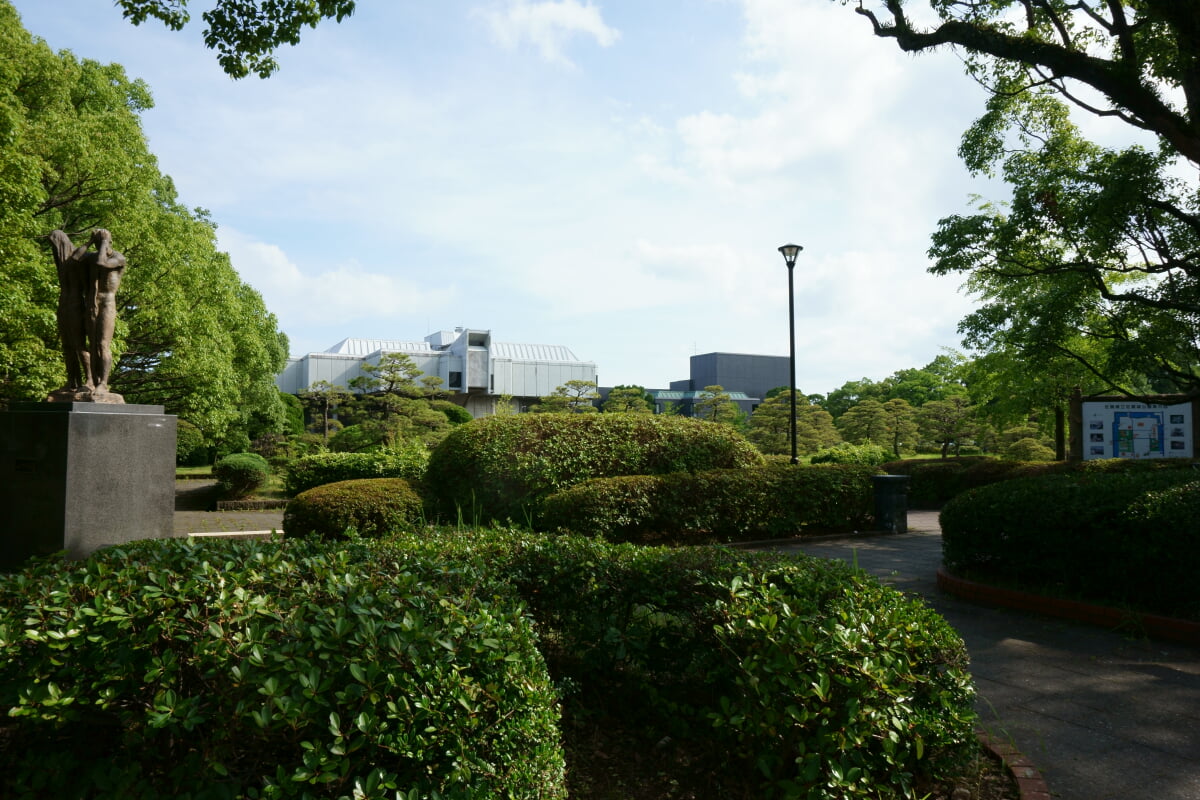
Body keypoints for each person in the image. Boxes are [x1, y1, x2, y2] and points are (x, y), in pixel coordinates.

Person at [48, 229, 92, 393]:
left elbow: (77, 261)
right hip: (64, 304)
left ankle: (90, 380)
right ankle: (72, 381)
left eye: (54, 244)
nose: (53, 249)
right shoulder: (61, 264)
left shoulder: (77, 258)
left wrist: (89, 243)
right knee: (67, 346)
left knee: (79, 345)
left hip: (75, 304)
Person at [85, 229, 126, 396]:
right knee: (93, 346)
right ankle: (92, 381)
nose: (97, 246)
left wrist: (103, 242)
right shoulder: (93, 257)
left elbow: (102, 263)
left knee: (103, 344)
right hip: (92, 303)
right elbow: (74, 259)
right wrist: (88, 243)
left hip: (107, 303)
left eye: (100, 243)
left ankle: (103, 383)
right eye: (96, 244)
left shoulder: (118, 258)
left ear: (109, 242)